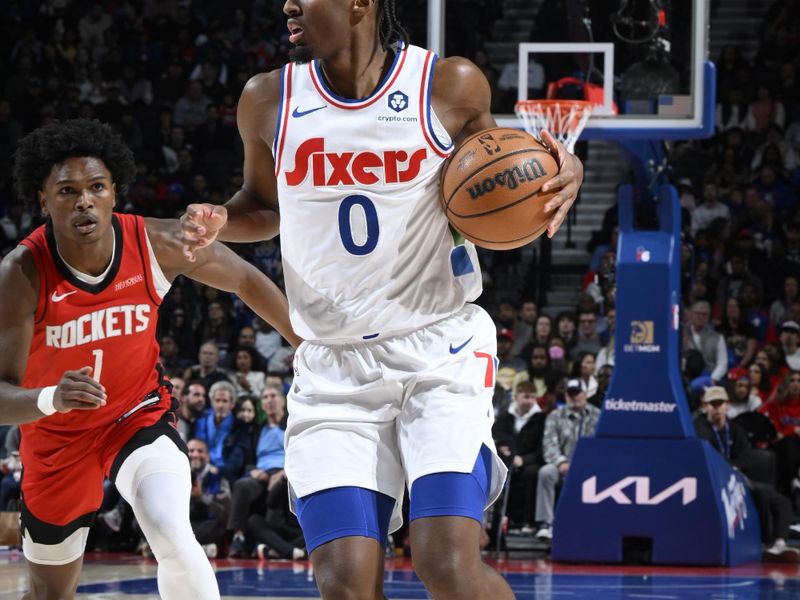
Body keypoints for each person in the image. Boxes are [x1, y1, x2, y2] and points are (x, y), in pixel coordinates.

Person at [180, 1, 584, 597]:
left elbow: (510, 172)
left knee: (444, 563)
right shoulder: (266, 98)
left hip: (439, 352)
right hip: (334, 368)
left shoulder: (448, 84)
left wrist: (562, 171)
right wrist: (222, 218)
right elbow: (262, 206)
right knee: (345, 584)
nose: (288, 3)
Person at [0, 118, 301, 600]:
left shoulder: (154, 243)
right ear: (42, 199)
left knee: (170, 529)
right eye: (67, 190)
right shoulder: (21, 273)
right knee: (49, 593)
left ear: (114, 191)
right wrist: (51, 398)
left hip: (134, 416)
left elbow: (246, 280)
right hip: (56, 439)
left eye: (96, 186)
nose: (84, 201)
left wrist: (306, 347)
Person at [695, 386, 798, 561]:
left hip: (739, 477)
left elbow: (746, 457)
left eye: (720, 404)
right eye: (713, 404)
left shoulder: (735, 428)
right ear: (706, 407)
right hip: (717, 482)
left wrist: (734, 468)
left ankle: (780, 543)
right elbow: (709, 458)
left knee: (782, 501)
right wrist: (730, 468)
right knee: (760, 494)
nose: (717, 408)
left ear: (727, 405)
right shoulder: (701, 428)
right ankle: (766, 543)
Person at [534, 378, 600, 542]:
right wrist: (561, 462)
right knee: (545, 472)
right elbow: (549, 444)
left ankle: (593, 523)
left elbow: (601, 445)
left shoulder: (597, 415)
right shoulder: (555, 416)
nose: (573, 397)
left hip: (589, 466)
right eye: (570, 394)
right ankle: (546, 523)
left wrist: (585, 465)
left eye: (577, 393)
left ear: (585, 394)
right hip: (561, 465)